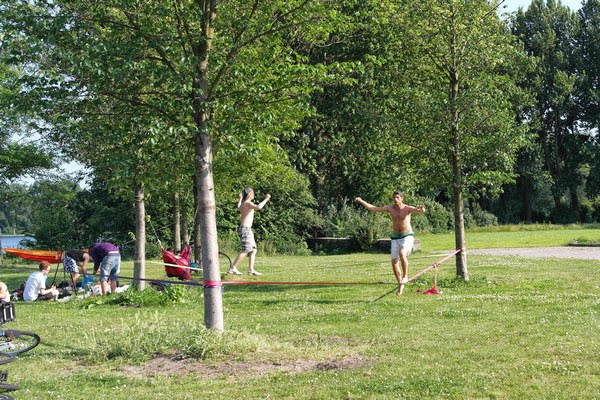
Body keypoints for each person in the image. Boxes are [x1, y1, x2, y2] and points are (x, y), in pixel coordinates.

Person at [355, 191, 425, 296]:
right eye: (394, 198)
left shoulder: (407, 208)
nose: (395, 199)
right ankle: (400, 285)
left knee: (402, 253)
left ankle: (405, 276)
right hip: (395, 238)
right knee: (394, 263)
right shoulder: (390, 208)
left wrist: (422, 209)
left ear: (402, 198)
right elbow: (373, 209)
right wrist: (361, 201)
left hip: (407, 236)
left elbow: (420, 211)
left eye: (397, 197)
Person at [228, 187, 271, 276]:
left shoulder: (243, 204)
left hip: (247, 229)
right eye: (253, 193)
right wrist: (266, 199)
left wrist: (239, 199)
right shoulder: (248, 203)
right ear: (249, 194)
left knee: (253, 250)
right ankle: (232, 268)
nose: (254, 195)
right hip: (245, 229)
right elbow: (258, 207)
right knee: (246, 250)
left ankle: (251, 270)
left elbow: (238, 208)